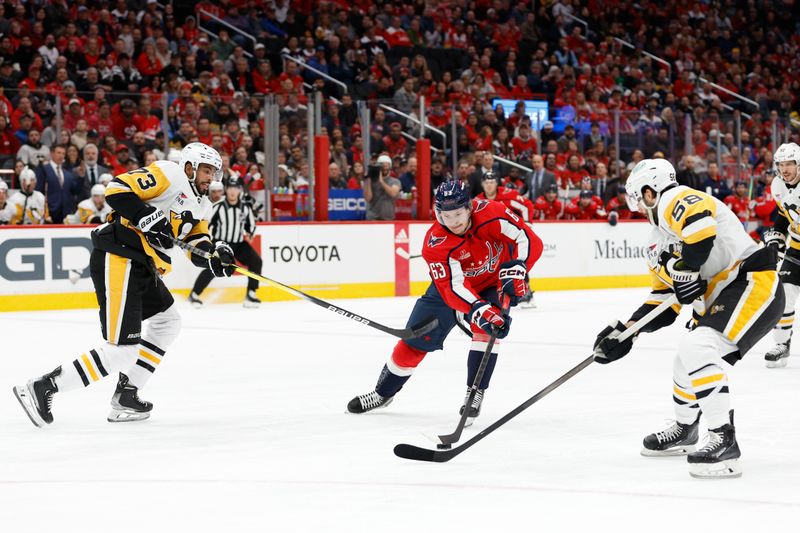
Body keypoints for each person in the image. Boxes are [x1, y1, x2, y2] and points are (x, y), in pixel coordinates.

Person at [13, 142, 236, 427]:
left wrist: (214, 257)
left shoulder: (202, 202)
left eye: (214, 172)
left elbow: (195, 244)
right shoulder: (169, 173)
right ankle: (43, 387)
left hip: (145, 267)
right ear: (190, 167)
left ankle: (126, 394)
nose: (211, 177)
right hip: (120, 256)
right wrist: (146, 216)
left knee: (168, 322)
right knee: (122, 350)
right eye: (206, 170)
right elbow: (117, 189)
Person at [593, 158, 782, 478]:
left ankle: (724, 439)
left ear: (650, 192)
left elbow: (700, 230)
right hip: (724, 295)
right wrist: (627, 331)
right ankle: (685, 429)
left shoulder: (674, 197)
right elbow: (663, 303)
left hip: (751, 282)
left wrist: (685, 269)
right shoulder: (656, 239)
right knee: (686, 355)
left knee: (696, 346)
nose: (638, 208)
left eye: (638, 199)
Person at [347, 180, 543, 422]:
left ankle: (475, 392)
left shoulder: (492, 212)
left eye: (459, 214)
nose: (454, 221)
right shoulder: (435, 243)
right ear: (437, 213)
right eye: (446, 215)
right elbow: (453, 287)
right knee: (414, 342)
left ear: (469, 207)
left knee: (487, 329)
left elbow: (527, 238)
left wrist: (519, 267)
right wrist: (477, 307)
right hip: (447, 290)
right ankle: (382, 393)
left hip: (493, 282)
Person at [189, 176, 262, 308]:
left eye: (235, 188)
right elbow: (207, 223)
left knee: (256, 261)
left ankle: (251, 293)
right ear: (226, 190)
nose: (233, 191)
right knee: (213, 266)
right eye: (230, 188)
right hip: (221, 243)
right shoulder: (218, 207)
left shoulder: (245, 207)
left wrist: (251, 233)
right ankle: (194, 294)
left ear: (239, 190)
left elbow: (250, 225)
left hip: (238, 244)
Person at [761, 143, 800, 368]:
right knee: (784, 294)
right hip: (796, 246)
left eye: (789, 164)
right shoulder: (778, 184)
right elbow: (785, 214)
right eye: (781, 164)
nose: (784, 169)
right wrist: (777, 236)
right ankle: (782, 344)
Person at [364, 153, 401, 220]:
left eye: (387, 166)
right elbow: (368, 198)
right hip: (373, 218)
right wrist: (368, 180)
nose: (384, 168)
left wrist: (381, 181)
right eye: (382, 166)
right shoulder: (371, 181)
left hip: (388, 219)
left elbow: (393, 193)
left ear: (390, 167)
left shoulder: (395, 181)